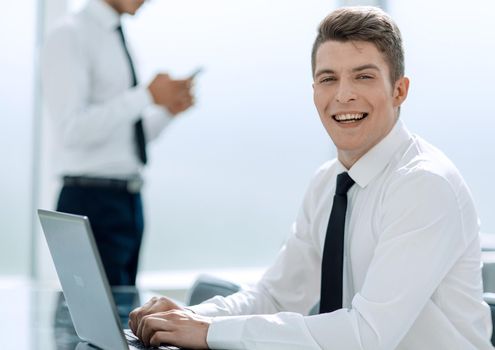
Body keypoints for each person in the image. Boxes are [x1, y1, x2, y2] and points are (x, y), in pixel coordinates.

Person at [127, 6, 493, 349]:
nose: (344, 95)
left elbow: (367, 335)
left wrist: (209, 333)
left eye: (363, 76)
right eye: (328, 79)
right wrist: (189, 318)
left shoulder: (423, 185)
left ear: (399, 91)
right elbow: (274, 296)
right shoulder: (328, 182)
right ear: (315, 91)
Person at [41, 0, 194, 286]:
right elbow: (71, 130)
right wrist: (145, 96)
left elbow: (127, 139)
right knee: (90, 322)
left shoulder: (115, 37)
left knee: (119, 315)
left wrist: (168, 112)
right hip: (90, 201)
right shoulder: (70, 34)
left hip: (127, 200)